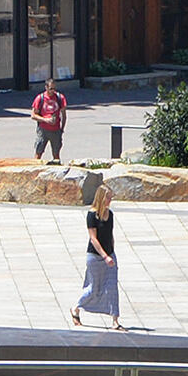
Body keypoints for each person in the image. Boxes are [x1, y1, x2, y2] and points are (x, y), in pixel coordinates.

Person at [74, 182, 120, 328]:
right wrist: (104, 256)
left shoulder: (110, 214)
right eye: (108, 198)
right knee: (94, 288)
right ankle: (76, 308)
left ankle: (115, 320)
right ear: (101, 198)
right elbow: (93, 239)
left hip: (109, 255)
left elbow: (110, 234)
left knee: (112, 287)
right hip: (95, 256)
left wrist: (111, 253)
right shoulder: (92, 215)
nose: (109, 201)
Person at [32, 78, 69, 162]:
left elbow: (64, 115)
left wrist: (62, 129)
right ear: (46, 87)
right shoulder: (40, 98)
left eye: (54, 88)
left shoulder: (60, 98)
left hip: (56, 130)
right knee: (38, 153)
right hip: (43, 130)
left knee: (56, 155)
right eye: (51, 88)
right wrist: (45, 120)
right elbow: (33, 115)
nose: (53, 91)